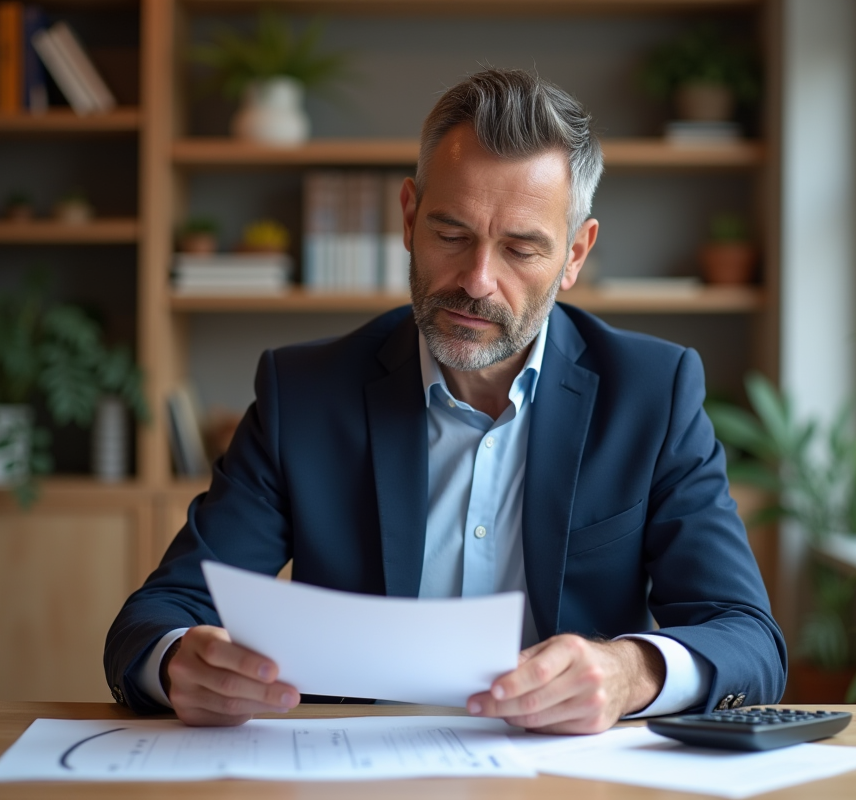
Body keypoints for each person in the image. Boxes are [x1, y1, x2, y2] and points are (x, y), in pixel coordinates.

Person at [105, 68, 786, 734]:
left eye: (521, 249)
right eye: (452, 235)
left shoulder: (652, 394)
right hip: (352, 774)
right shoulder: (303, 394)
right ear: (408, 217)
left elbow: (748, 638)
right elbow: (158, 614)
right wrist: (176, 665)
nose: (477, 282)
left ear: (576, 253)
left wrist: (627, 672)